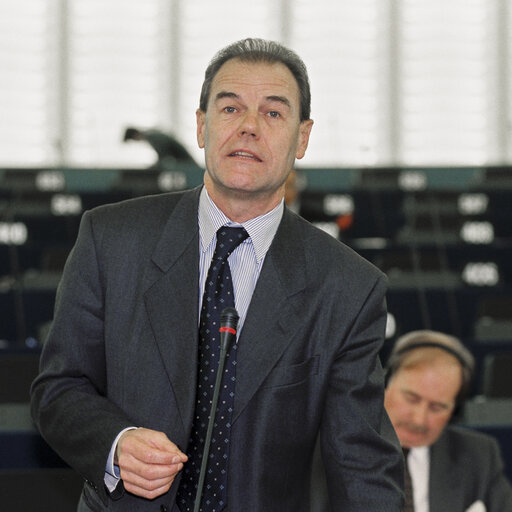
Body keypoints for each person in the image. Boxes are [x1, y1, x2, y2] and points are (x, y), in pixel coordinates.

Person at [31, 38, 403, 511]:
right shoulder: (111, 239)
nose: (249, 127)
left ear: (302, 138)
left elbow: (361, 464)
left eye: (272, 114)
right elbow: (59, 388)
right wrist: (115, 442)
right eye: (230, 108)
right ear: (203, 126)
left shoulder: (348, 287)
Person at [384, 330, 512, 512]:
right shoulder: (340, 446)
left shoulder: (478, 455)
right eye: (411, 399)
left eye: (437, 407)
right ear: (385, 385)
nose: (419, 419)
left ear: (455, 410)